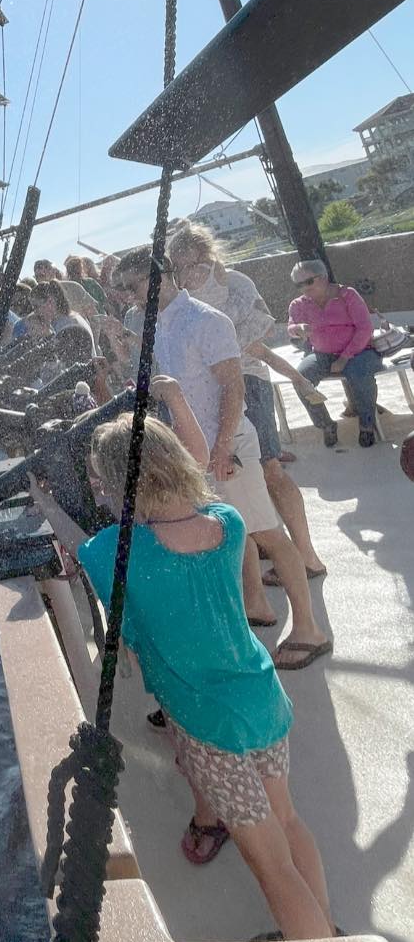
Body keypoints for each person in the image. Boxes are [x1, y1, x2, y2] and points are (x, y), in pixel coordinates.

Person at [28, 414, 335, 939]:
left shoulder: (115, 553)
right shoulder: (228, 522)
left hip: (209, 724)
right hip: (263, 698)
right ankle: (327, 925)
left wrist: (47, 504)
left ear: (119, 483)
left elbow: (85, 549)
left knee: (270, 866)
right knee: (287, 821)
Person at [112, 247, 330, 671]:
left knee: (268, 533)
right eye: (122, 289)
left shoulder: (206, 321)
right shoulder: (160, 328)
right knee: (235, 533)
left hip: (227, 447)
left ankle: (310, 630)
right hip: (202, 451)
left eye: (133, 285)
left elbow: (234, 386)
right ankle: (258, 609)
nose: (128, 296)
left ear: (162, 277)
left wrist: (223, 447)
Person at [168, 224, 326, 581]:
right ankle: (280, 557)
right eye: (177, 268)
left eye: (189, 264)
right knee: (246, 479)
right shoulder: (182, 295)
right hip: (210, 390)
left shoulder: (236, 284)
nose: (185, 274)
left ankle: (307, 555)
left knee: (270, 468)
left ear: (206, 256)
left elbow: (259, 335)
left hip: (247, 380)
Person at [288, 260, 383, 447]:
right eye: (299, 285)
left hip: (360, 350)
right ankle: (325, 424)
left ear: (323, 278)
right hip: (323, 353)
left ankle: (367, 423)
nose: (304, 288)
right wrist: (297, 329)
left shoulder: (347, 295)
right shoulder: (299, 304)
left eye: (308, 282)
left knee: (358, 374)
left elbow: (365, 329)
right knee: (301, 378)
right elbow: (291, 328)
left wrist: (344, 357)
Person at [33, 258, 100, 322]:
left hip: (80, 330)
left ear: (54, 272)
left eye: (43, 274)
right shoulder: (36, 298)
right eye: (39, 276)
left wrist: (94, 333)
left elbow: (94, 315)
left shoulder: (73, 287)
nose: (43, 278)